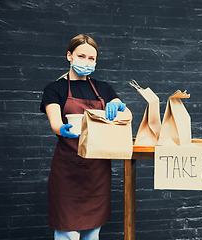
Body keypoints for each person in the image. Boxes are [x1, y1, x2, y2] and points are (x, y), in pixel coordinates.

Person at [40, 34, 128, 240]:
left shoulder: (104, 88)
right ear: (69, 56)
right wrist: (63, 129)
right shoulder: (55, 88)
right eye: (81, 56)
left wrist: (119, 106)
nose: (86, 61)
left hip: (97, 170)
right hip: (67, 169)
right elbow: (55, 123)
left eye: (91, 58)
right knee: (67, 232)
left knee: (93, 231)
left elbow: (125, 115)